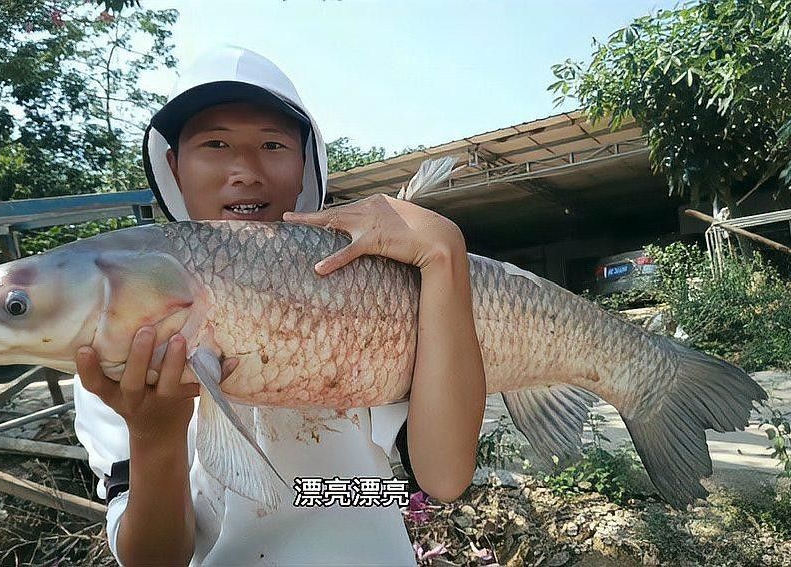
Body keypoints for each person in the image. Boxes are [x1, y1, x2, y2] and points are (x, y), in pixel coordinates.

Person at [72, 46, 486, 566]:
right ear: (174, 166)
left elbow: (442, 478)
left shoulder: (365, 288)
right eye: (215, 143)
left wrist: (444, 252)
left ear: (305, 162)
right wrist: (155, 435)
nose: (245, 170)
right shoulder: (119, 342)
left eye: (272, 144)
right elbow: (153, 560)